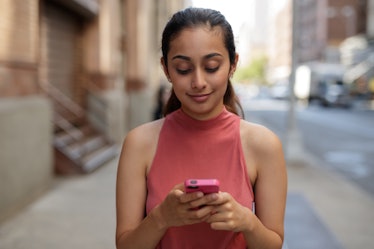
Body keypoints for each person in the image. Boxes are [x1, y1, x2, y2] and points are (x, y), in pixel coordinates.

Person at [116, 7, 287, 249]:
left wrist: (247, 222)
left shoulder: (264, 145)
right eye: (183, 69)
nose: (198, 82)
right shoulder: (139, 143)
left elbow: (273, 244)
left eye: (212, 66)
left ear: (233, 64)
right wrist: (162, 217)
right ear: (166, 69)